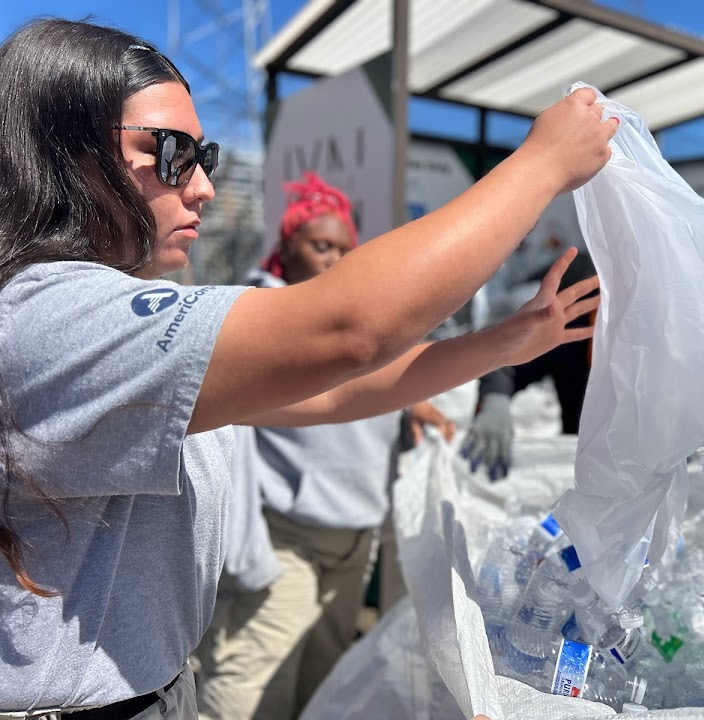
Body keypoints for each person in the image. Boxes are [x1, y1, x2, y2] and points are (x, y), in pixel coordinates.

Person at [0, 17, 614, 719]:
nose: (200, 186)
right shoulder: (49, 313)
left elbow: (332, 388)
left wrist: (499, 347)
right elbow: (350, 330)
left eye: (206, 155)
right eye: (171, 152)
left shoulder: (94, 312)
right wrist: (542, 165)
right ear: (63, 151)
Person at [196, 173, 456, 720]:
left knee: (329, 679)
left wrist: (416, 402)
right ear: (287, 250)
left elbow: (373, 372)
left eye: (345, 248)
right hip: (286, 542)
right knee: (253, 686)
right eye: (321, 247)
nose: (335, 260)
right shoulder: (259, 316)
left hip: (355, 542)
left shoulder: (354, 315)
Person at [461, 251, 597, 479]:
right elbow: (511, 360)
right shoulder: (578, 323)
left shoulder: (671, 348)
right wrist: (495, 398)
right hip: (582, 476)